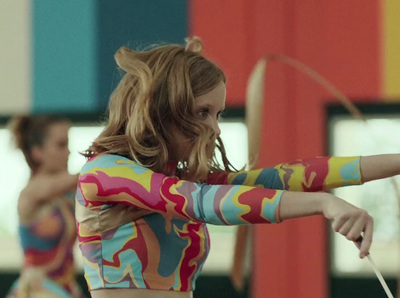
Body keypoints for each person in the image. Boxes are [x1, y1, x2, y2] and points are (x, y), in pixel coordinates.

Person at [75, 37, 400, 298]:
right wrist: (324, 203)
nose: (215, 129)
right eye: (203, 112)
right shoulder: (104, 173)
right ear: (161, 109)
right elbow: (200, 202)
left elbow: (285, 177)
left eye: (218, 115)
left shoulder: (179, 178)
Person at [6, 115, 85, 298]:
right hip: (36, 290)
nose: (68, 152)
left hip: (67, 287)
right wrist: (102, 169)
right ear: (37, 152)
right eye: (61, 145)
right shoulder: (31, 193)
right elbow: (68, 181)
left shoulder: (68, 195)